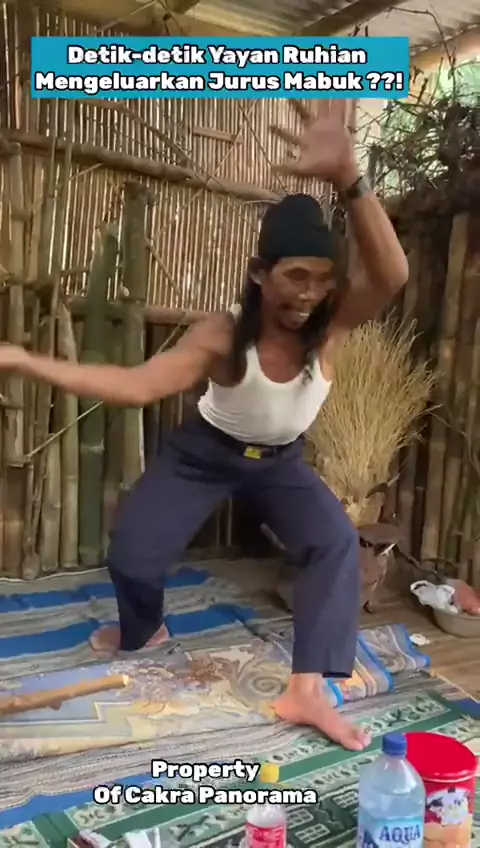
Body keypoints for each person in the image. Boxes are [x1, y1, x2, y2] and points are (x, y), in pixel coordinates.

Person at [0, 102, 408, 751]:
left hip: (281, 463)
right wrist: (26, 360)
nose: (308, 293)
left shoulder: (331, 328)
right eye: (295, 276)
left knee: (334, 543)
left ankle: (307, 691)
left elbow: (391, 274)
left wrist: (350, 179)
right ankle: (144, 633)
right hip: (204, 454)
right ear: (260, 274)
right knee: (132, 555)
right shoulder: (222, 335)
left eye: (322, 280)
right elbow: (137, 386)